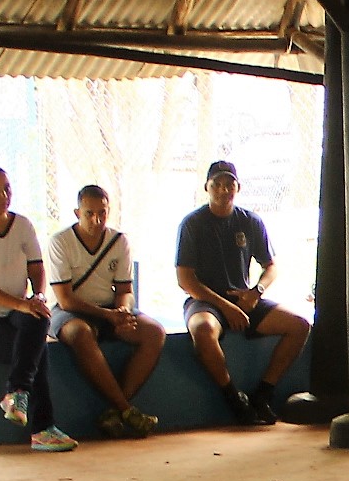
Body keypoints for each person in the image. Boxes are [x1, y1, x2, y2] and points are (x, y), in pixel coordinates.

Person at [175, 159, 308, 427]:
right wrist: (224, 306)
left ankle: (263, 394)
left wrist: (255, 292)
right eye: (218, 185)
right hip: (206, 300)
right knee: (202, 331)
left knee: (299, 326)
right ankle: (234, 399)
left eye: (230, 185)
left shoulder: (250, 221)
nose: (224, 190)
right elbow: (185, 279)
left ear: (238, 188)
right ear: (207, 187)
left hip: (244, 299)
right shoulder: (192, 224)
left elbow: (271, 266)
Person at [0, 166, 75, 451]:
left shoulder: (22, 225)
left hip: (11, 314)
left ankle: (17, 394)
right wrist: (22, 303)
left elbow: (36, 267)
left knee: (39, 319)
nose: (2, 195)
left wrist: (39, 296)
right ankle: (42, 428)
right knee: (35, 350)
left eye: (7, 188)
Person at [46, 183, 163, 438]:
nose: (96, 220)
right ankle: (126, 408)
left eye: (102, 213)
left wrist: (123, 310)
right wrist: (109, 316)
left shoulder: (119, 241)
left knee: (154, 333)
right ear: (77, 213)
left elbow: (125, 288)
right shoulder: (60, 242)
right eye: (89, 213)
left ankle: (114, 410)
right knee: (80, 334)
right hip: (72, 311)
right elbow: (65, 300)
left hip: (109, 308)